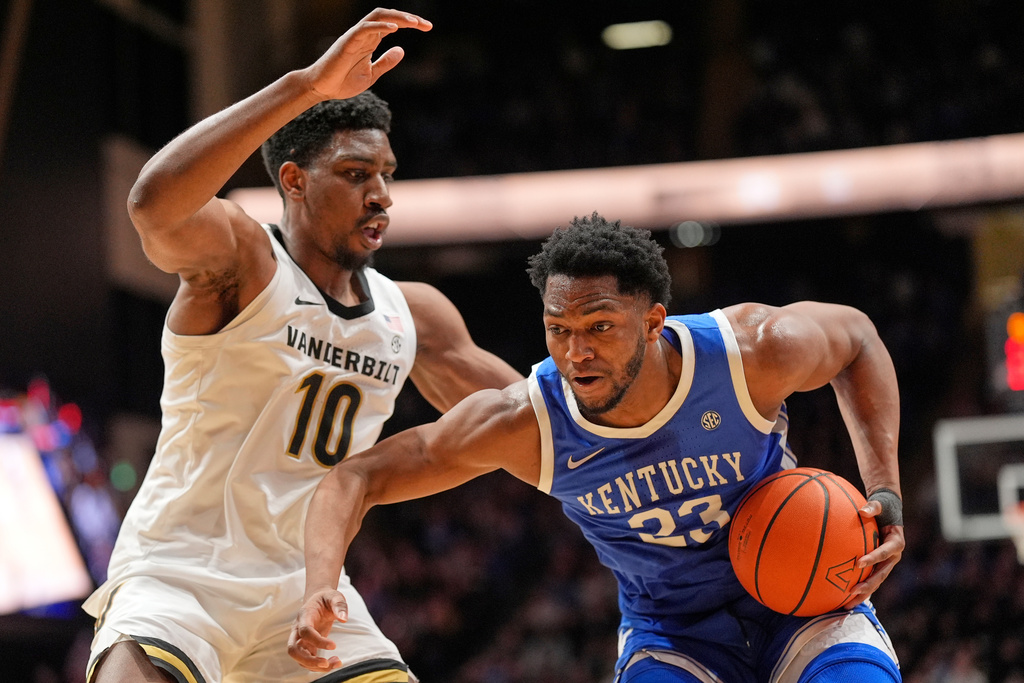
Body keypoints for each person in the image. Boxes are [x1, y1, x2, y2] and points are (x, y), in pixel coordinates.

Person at [82, 8, 522, 683]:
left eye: (386, 175)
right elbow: (154, 205)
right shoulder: (245, 261)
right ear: (293, 180)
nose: (380, 196)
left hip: (306, 593)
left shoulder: (416, 315)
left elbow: (529, 415)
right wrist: (305, 88)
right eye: (354, 175)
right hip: (181, 578)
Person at [289, 213, 907, 682]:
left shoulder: (752, 354)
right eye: (558, 330)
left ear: (653, 321)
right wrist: (321, 581)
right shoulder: (527, 423)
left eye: (599, 328)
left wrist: (885, 493)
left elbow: (856, 340)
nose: (575, 353)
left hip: (811, 603)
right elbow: (357, 476)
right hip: (673, 636)